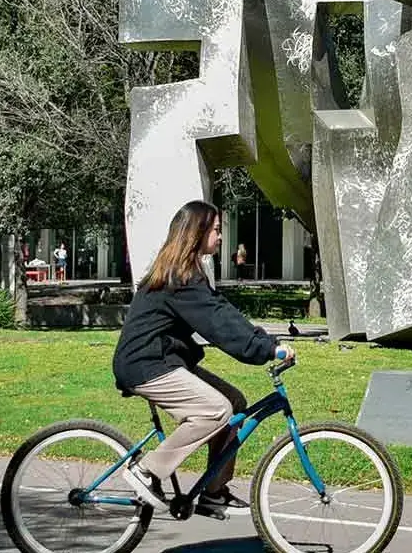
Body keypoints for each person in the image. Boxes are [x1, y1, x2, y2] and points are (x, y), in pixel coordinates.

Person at [113, 200, 292, 514]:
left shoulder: (189, 271)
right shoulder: (178, 276)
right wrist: (265, 350)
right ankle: (148, 470)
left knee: (234, 401)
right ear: (198, 232)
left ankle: (213, 492)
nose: (221, 237)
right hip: (146, 364)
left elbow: (223, 314)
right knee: (215, 410)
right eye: (217, 230)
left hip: (164, 360)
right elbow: (217, 326)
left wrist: (265, 341)